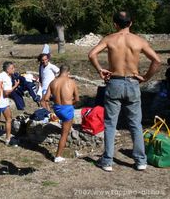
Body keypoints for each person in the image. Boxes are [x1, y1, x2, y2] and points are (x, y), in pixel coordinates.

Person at [88, 11, 161, 172]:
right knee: (135, 124)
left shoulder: (110, 39)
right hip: (133, 83)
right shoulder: (139, 41)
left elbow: (91, 54)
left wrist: (100, 70)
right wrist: (145, 77)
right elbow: (157, 60)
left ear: (115, 24)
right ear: (131, 23)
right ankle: (141, 161)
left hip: (114, 82)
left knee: (110, 124)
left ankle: (107, 161)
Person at [41, 65, 79, 163]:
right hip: (67, 108)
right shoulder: (72, 82)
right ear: (68, 72)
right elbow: (77, 99)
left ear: (60, 72)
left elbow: (45, 99)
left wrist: (49, 109)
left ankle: (61, 125)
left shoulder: (53, 82)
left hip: (57, 108)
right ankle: (58, 156)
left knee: (63, 125)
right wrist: (71, 104)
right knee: (64, 134)